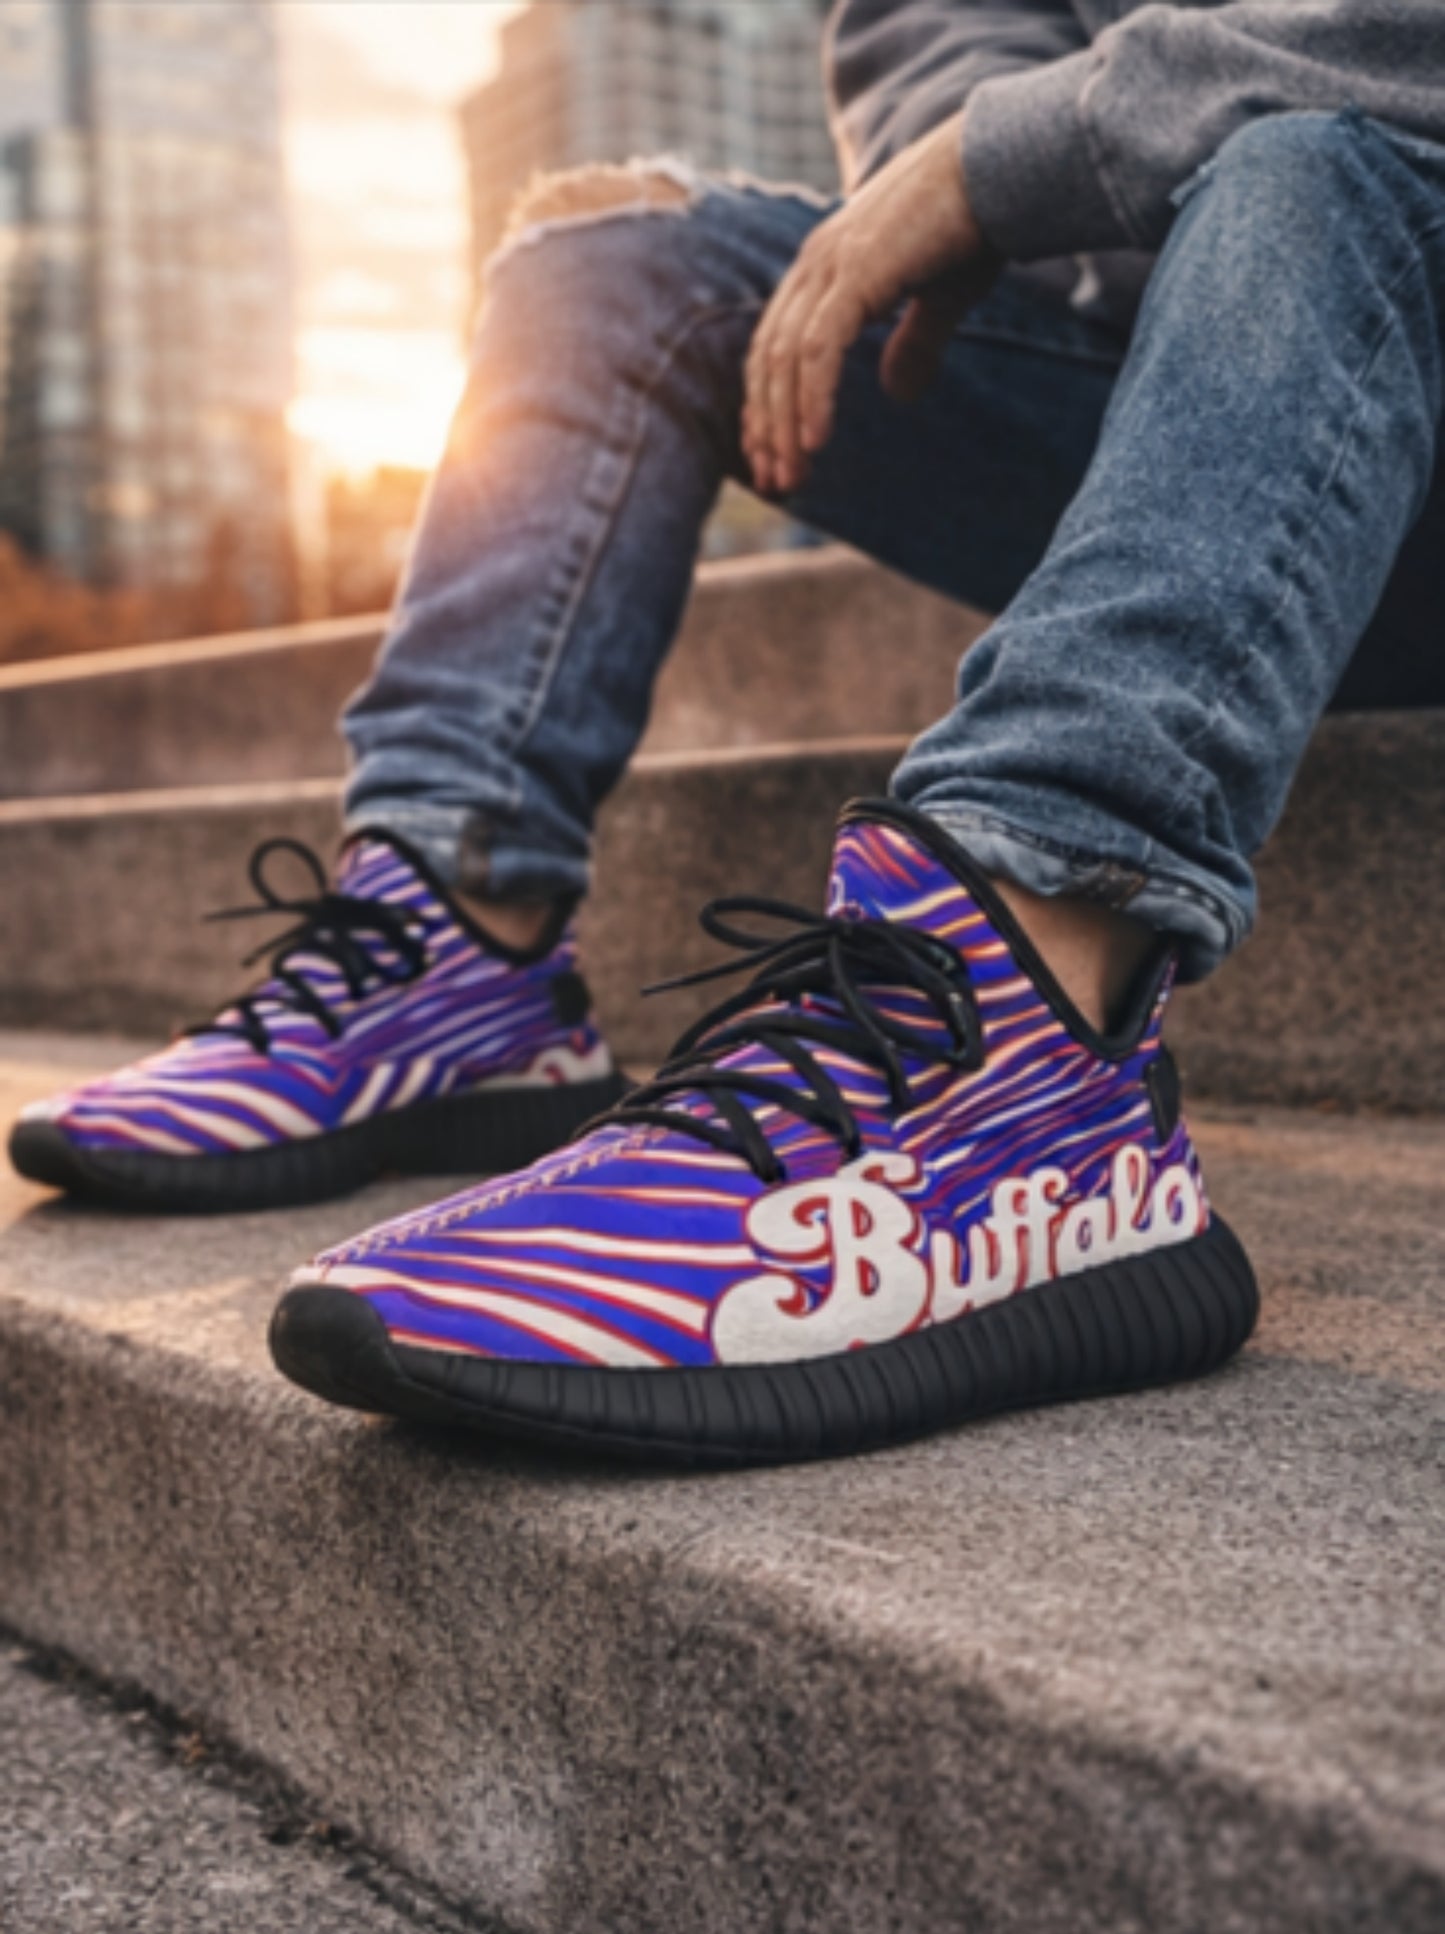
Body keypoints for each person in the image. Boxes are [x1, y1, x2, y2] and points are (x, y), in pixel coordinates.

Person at [13, 1, 1445, 1463]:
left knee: (1311, 162)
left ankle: (1031, 1053)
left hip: (1390, 322)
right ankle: (457, 949)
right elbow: (929, 61)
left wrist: (1011, 154)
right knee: (610, 263)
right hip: (1156, 381)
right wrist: (977, 171)